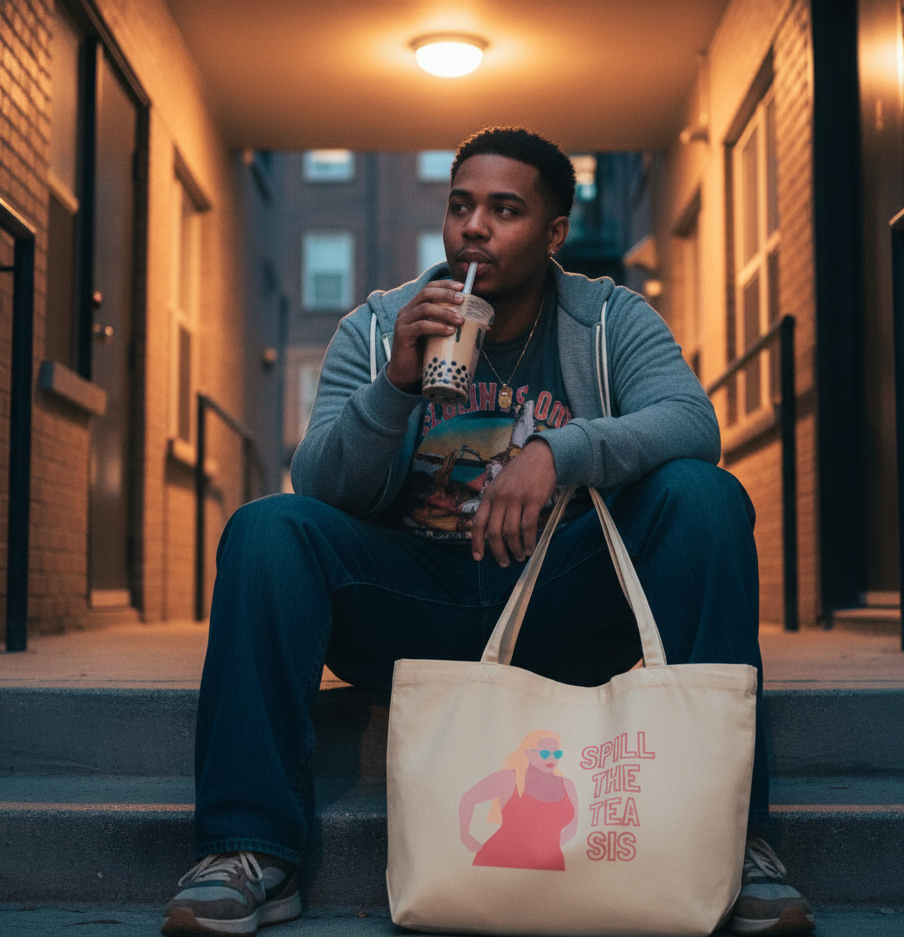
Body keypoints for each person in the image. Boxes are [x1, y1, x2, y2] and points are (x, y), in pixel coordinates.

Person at [161, 127, 814, 937]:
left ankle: (732, 839)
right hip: (412, 597)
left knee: (703, 496)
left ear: (551, 233)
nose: (474, 227)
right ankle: (248, 850)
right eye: (460, 205)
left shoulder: (608, 319)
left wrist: (557, 450)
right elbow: (322, 483)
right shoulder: (377, 328)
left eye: (505, 210)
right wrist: (395, 383)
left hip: (562, 600)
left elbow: (690, 421)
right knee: (267, 528)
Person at [459, 730, 579, 871]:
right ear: (528, 753)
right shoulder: (509, 779)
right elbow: (468, 798)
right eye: (545, 753)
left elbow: (571, 831)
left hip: (549, 866)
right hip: (498, 862)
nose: (551, 759)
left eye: (557, 754)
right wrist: (465, 835)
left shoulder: (568, 786)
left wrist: (544, 852)